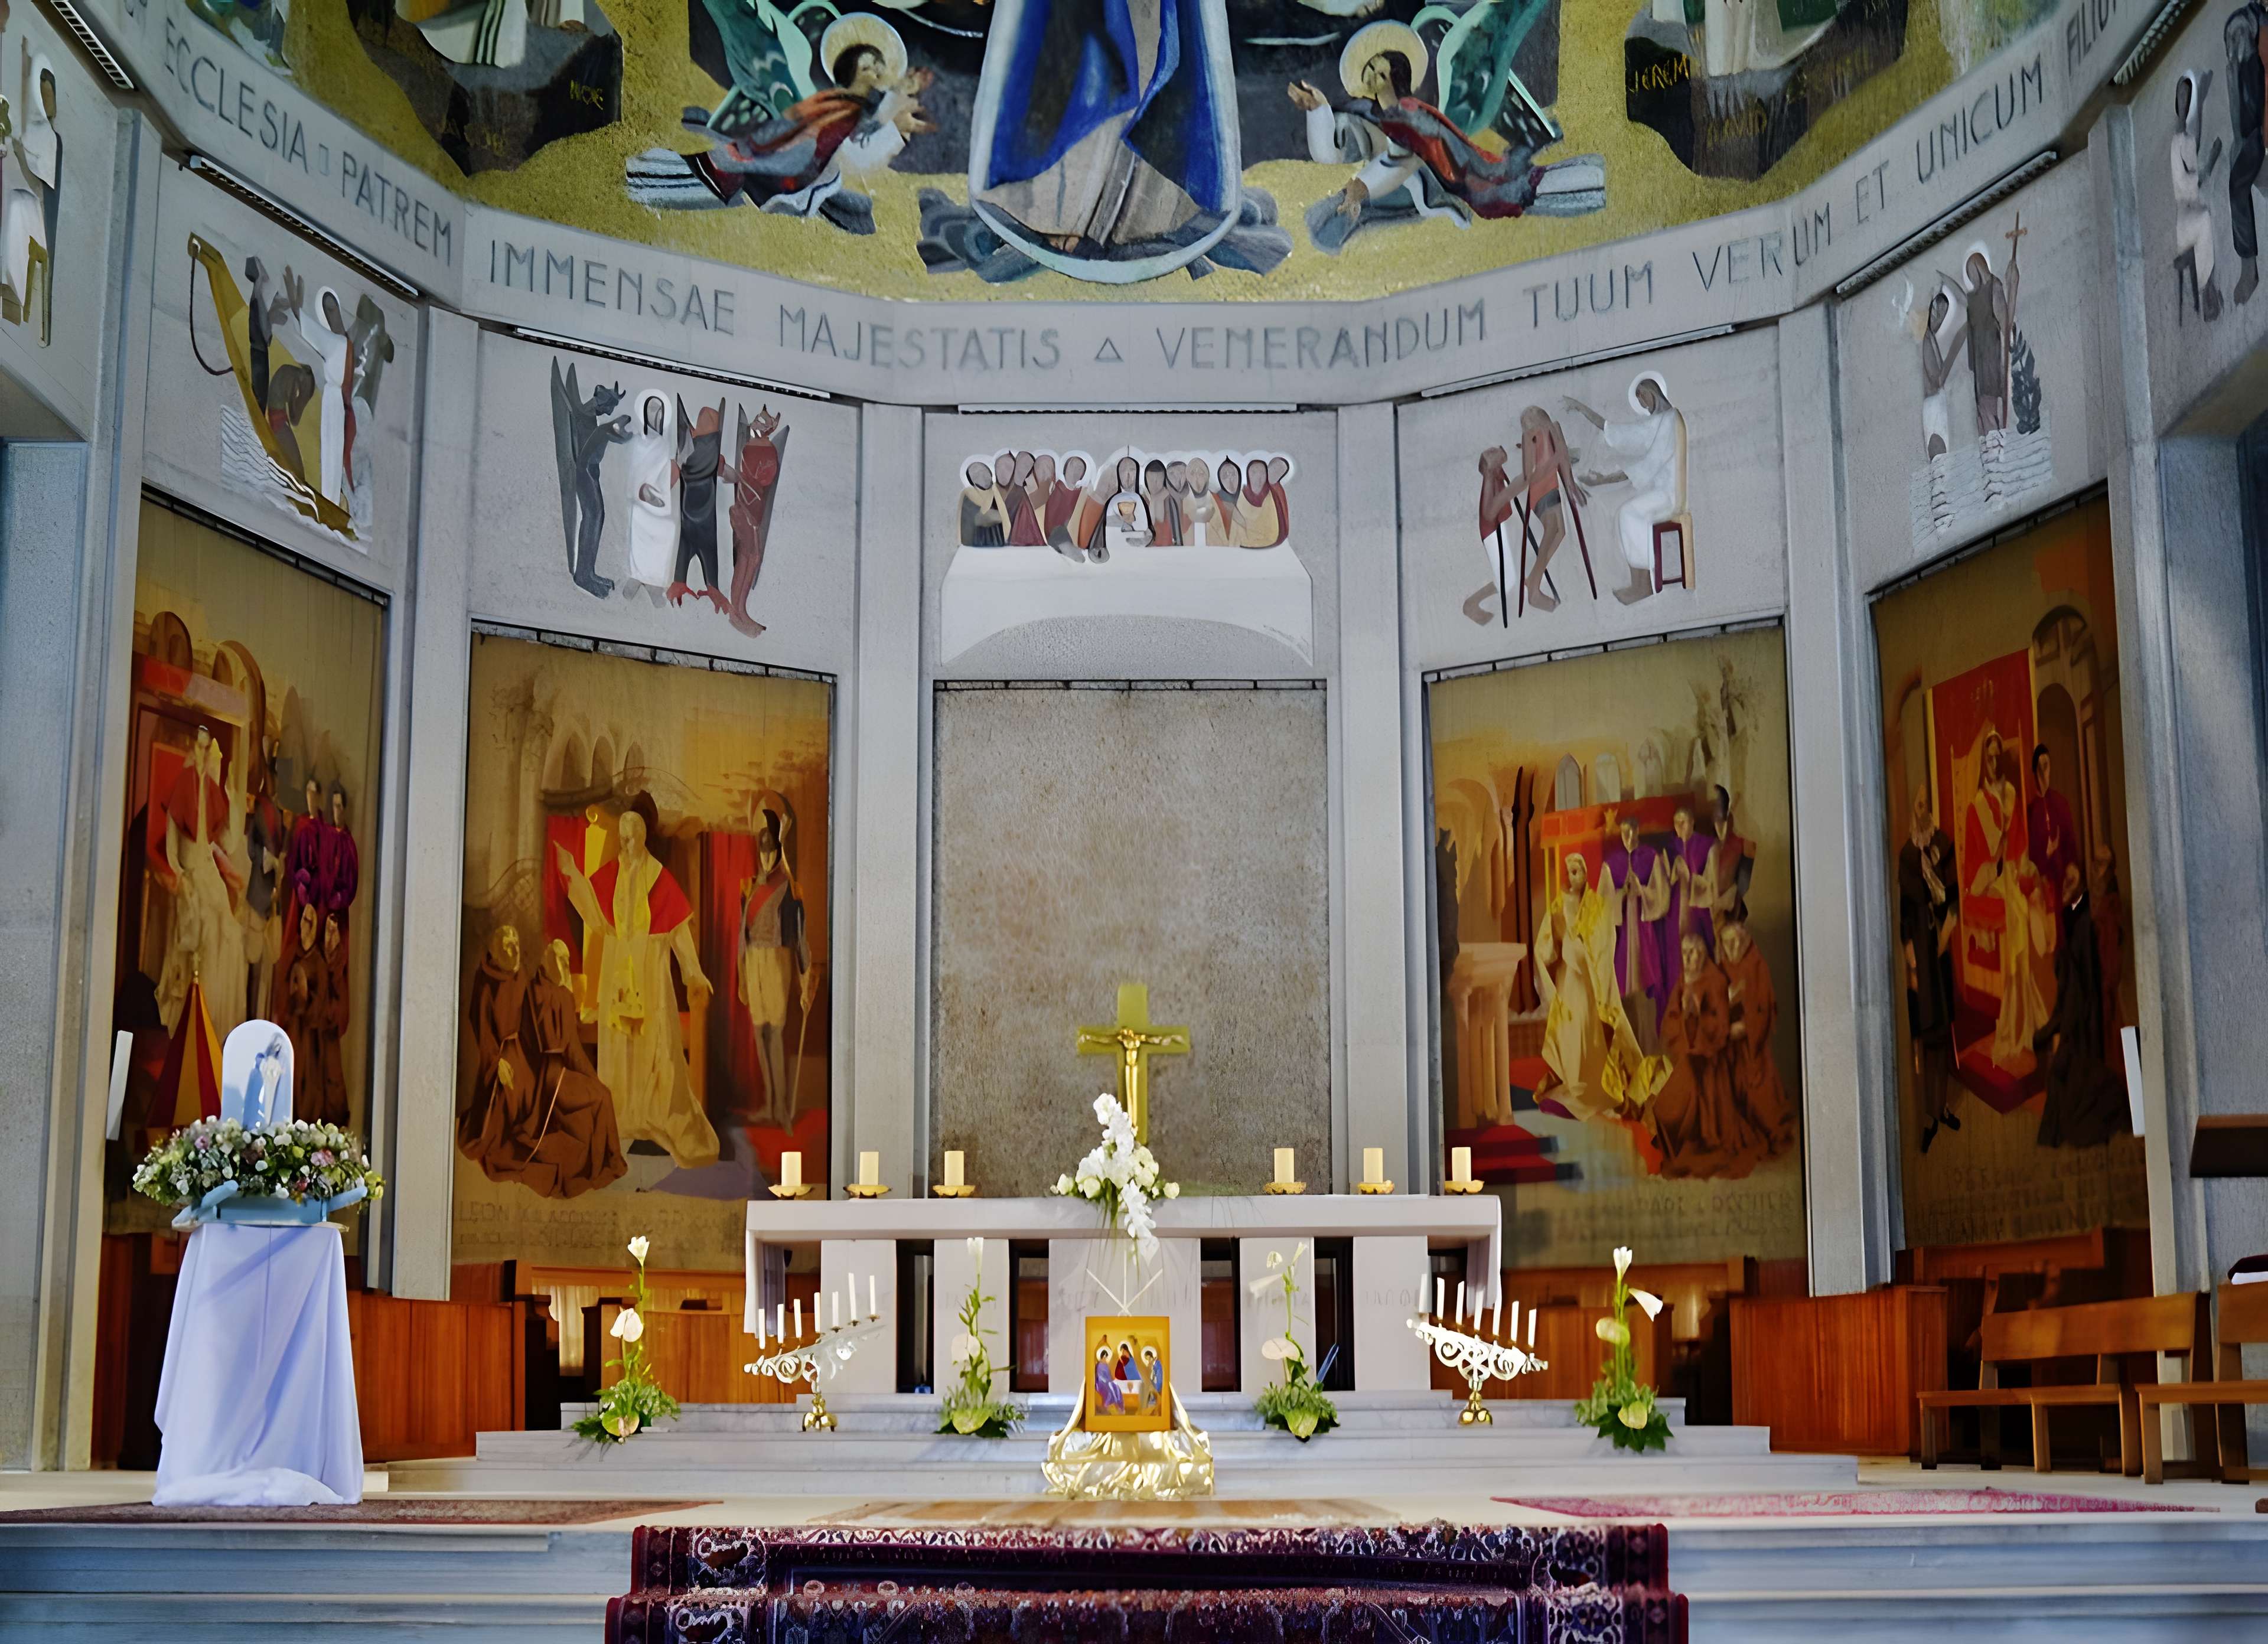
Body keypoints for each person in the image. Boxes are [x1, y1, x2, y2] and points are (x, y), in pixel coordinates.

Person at [1291, 24, 1603, 255]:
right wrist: (1319, 111)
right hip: (1445, 187)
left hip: (1470, 182)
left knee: (1523, 189)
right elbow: (1331, 155)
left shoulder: (1408, 113)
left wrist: (1360, 187)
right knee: (1526, 189)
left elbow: (1403, 160)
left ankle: (1592, 182)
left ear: (1396, 66)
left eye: (1378, 64)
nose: (1372, 72)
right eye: (1367, 70)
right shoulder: (1374, 118)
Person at [625, 21, 932, 234]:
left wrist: (896, 126)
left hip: (801, 168)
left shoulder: (863, 112)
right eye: (867, 67)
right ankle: (653, 177)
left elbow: (858, 147)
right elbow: (792, 125)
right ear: (850, 71)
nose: (875, 73)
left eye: (878, 67)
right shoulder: (834, 102)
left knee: (740, 165)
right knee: (724, 166)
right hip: (785, 162)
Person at [553, 795, 722, 1168]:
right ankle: (622, 1117)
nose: (626, 844)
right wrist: (572, 874)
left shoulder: (659, 877)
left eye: (632, 837)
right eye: (623, 837)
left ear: (643, 837)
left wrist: (693, 972)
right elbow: (595, 917)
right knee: (619, 1050)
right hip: (617, 976)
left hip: (651, 975)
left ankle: (653, 1114)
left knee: (654, 1047)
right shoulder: (611, 875)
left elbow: (678, 933)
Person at [1532, 852, 1667, 1122]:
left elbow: (1607, 936)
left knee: (1592, 1035)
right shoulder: (1559, 907)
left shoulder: (1597, 905)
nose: (1574, 877)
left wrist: (1588, 949)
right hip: (1570, 981)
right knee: (1573, 1036)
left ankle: (1601, 1090)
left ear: (1585, 874)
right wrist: (1559, 963)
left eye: (1578, 871)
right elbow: (1545, 948)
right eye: (1570, 872)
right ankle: (1578, 1087)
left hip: (1590, 984)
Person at [1964, 729, 2049, 1074]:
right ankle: (2013, 1029)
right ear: (1984, 760)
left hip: (2012, 876)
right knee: (2014, 921)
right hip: (1992, 882)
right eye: (1991, 756)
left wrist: (2025, 873)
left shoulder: (2012, 794)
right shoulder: (1976, 808)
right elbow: (1975, 867)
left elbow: (2019, 846)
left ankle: (2023, 1026)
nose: (1995, 761)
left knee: (2022, 921)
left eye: (1999, 755)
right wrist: (1996, 863)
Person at [519, 939, 630, 1197]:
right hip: (550, 1078)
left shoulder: (553, 994)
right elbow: (565, 1049)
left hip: (554, 1074)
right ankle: (609, 1163)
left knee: (600, 1095)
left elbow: (573, 1051)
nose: (563, 967)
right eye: (560, 961)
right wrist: (593, 1081)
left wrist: (592, 1079)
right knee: (602, 1097)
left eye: (566, 962)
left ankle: (605, 1164)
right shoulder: (547, 995)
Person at [1563, 373, 1683, 604]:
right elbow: (1616, 432)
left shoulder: (1670, 420)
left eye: (1643, 401)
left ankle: (1644, 584)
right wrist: (1582, 410)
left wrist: (1604, 480)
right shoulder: (1660, 422)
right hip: (1658, 492)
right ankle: (1639, 580)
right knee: (1619, 509)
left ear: (1649, 393)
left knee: (1629, 514)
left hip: (1669, 495)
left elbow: (1649, 464)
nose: (1644, 407)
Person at [2034, 861, 2129, 1148]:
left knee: (2075, 1077)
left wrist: (2063, 1025)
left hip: (2088, 1017)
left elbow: (2087, 980)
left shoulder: (2087, 923)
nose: (2064, 888)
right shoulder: (2075, 921)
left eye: (2070, 883)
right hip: (2080, 1015)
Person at [737, 801, 817, 1128]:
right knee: (759, 1034)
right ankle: (770, 1104)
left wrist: (805, 980)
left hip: (777, 963)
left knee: (776, 1035)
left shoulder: (789, 889)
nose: (766, 854)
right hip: (754, 961)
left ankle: (783, 1109)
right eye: (763, 848)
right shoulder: (748, 888)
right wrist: (742, 977)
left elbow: (800, 937)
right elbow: (741, 939)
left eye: (772, 847)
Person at [1898, 789, 1963, 1152]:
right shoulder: (1907, 855)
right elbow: (1905, 912)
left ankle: (1943, 1106)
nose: (1923, 810)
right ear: (1913, 809)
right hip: (1920, 956)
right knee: (1924, 1032)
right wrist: (1911, 959)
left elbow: (1952, 899)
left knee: (1943, 1030)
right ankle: (1928, 1115)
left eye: (1927, 805)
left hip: (1940, 947)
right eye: (1918, 804)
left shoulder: (1944, 844)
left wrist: (1946, 936)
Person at [1718, 918, 1794, 1157]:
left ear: (1744, 940)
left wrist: (1746, 1026)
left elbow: (1764, 1007)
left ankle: (1772, 1133)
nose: (1732, 947)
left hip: (1753, 1046)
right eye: (1727, 942)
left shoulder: (1756, 965)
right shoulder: (1722, 966)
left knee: (1760, 1092)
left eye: (1736, 941)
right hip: (1729, 1044)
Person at [1, 50, 58, 344]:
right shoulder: (35, 132)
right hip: (32, 206)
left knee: (15, 205)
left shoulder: (51, 139)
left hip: (43, 218)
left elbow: (43, 189)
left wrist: (19, 155)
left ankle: (13, 287)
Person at [1600, 814, 1670, 1039]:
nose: (1628, 837)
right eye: (1624, 833)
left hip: (1643, 924)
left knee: (1646, 974)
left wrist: (1641, 891)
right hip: (1622, 930)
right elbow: (1604, 901)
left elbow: (1661, 895)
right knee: (1624, 983)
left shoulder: (1651, 857)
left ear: (1638, 831)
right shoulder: (1612, 863)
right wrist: (1621, 895)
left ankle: (1650, 1031)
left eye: (1632, 832)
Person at [726, 405, 785, 638]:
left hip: (749, 507)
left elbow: (758, 477)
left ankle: (739, 609)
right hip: (750, 510)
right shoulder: (761, 449)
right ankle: (737, 611)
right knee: (749, 558)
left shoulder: (752, 448)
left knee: (748, 558)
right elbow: (765, 477)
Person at [2172, 70, 2225, 321]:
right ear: (2177, 105)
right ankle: (2207, 291)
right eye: (2181, 98)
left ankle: (2210, 289)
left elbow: (2198, 143)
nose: (2185, 103)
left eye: (2187, 98)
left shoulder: (2190, 139)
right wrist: (2211, 161)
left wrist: (2200, 100)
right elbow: (2183, 181)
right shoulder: (2176, 143)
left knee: (2208, 215)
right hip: (2184, 217)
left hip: (2193, 204)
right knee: (2204, 219)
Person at [670, 399, 731, 613]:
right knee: (706, 548)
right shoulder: (711, 455)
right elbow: (731, 476)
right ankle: (711, 586)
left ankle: (702, 585)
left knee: (689, 545)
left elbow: (675, 472)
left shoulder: (689, 453)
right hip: (705, 521)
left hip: (691, 519)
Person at [2228, 5, 2266, 306]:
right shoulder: (2242, 67)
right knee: (2241, 181)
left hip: (2260, 137)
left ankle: (2249, 269)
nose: (2235, 44)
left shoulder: (2256, 60)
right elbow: (2239, 117)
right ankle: (2248, 269)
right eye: (2231, 39)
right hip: (2254, 138)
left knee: (2239, 187)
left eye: (2238, 37)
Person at [624, 393, 679, 596]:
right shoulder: (638, 442)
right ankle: (637, 576)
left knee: (667, 531)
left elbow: (667, 472)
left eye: (660, 411)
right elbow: (634, 471)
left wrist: (660, 490)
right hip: (639, 501)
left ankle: (655, 582)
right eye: (652, 410)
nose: (656, 414)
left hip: (661, 502)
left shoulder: (665, 445)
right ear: (645, 413)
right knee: (638, 528)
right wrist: (641, 490)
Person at [1959, 244, 2018, 434]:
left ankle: (1997, 450)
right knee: (1983, 414)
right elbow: (1971, 340)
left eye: (1971, 272)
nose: (1971, 278)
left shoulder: (1994, 286)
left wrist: (2013, 286)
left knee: (1989, 410)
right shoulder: (1972, 300)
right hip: (1980, 367)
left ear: (1978, 267)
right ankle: (1991, 450)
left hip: (1992, 360)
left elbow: (2005, 322)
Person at [2025, 744, 2079, 926]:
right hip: (2042, 883)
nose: (2043, 772)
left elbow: (2070, 844)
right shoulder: (2030, 811)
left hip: (2063, 881)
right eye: (2039, 767)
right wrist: (2047, 853)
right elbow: (2029, 856)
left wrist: (2071, 867)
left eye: (2046, 765)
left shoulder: (2061, 804)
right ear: (2034, 772)